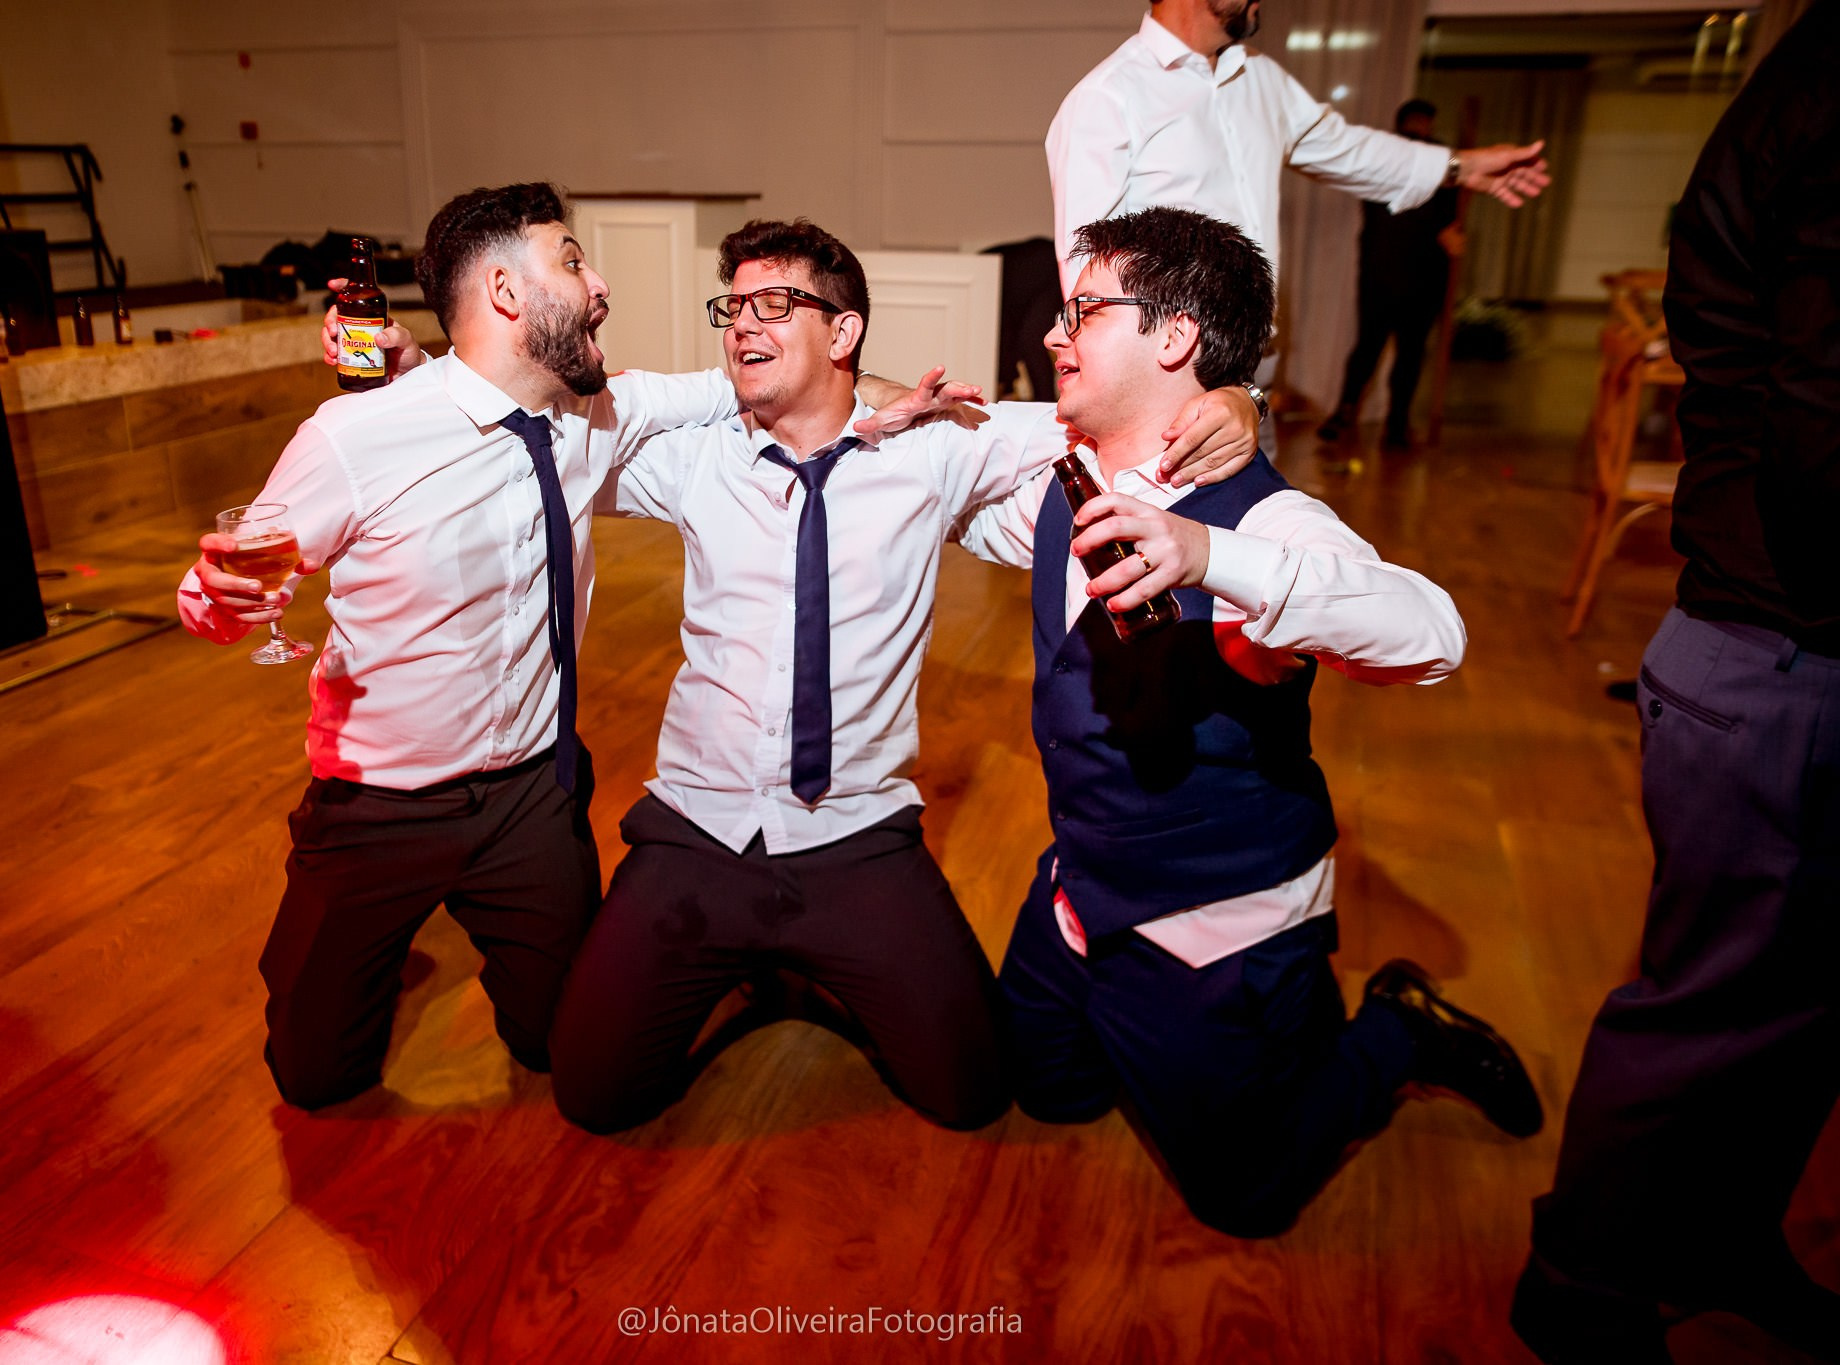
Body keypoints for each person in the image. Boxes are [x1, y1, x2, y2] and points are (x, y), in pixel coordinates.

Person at [181, 183, 902, 1111]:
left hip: (534, 795)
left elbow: (752, 386)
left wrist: (879, 388)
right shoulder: (355, 436)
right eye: (572, 261)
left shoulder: (592, 416)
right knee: (316, 1079)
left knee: (561, 1047)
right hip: (376, 807)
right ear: (506, 293)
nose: (599, 283)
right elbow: (220, 593)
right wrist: (220, 596)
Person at [545, 218, 1262, 1134]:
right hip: (700, 827)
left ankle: (802, 958)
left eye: (775, 305)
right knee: (595, 1095)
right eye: (733, 308)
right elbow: (552, 429)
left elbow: (1116, 417)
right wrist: (412, 375)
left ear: (842, 334)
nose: (741, 326)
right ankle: (743, 958)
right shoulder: (696, 458)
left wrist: (1241, 398)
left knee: (969, 1093)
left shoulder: (934, 447)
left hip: (856, 833)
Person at [956, 204, 1541, 1237]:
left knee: (1247, 1200)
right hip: (1084, 883)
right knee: (1047, 1093)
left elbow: (1432, 634)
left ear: (1173, 337)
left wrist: (1209, 559)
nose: (1051, 334)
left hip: (1211, 918)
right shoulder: (1060, 473)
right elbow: (935, 439)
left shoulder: (1267, 524)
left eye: (1080, 311)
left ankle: (1395, 1035)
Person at [1511, 4, 1840, 1359]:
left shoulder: (1797, 84)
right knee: (1712, 993)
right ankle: (1582, 1285)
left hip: (1777, 625)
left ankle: (1719, 1237)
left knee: (1804, 998)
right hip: (1783, 630)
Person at [1046, 0, 1550, 455]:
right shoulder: (1108, 97)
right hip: (1164, 387)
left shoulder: (1259, 78)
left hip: (1255, 368)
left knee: (1248, 536)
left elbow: (1346, 148)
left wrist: (1459, 166)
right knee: (1160, 547)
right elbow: (1085, 272)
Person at [1313, 99, 1463, 453]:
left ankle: (1397, 421)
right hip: (1382, 276)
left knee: (1410, 354)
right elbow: (1393, 215)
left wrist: (1450, 233)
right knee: (1368, 348)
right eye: (1415, 121)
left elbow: (1447, 217)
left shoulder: (1443, 166)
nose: (1420, 128)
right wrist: (1441, 231)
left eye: (1425, 122)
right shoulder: (1387, 162)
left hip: (1424, 280)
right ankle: (1345, 413)